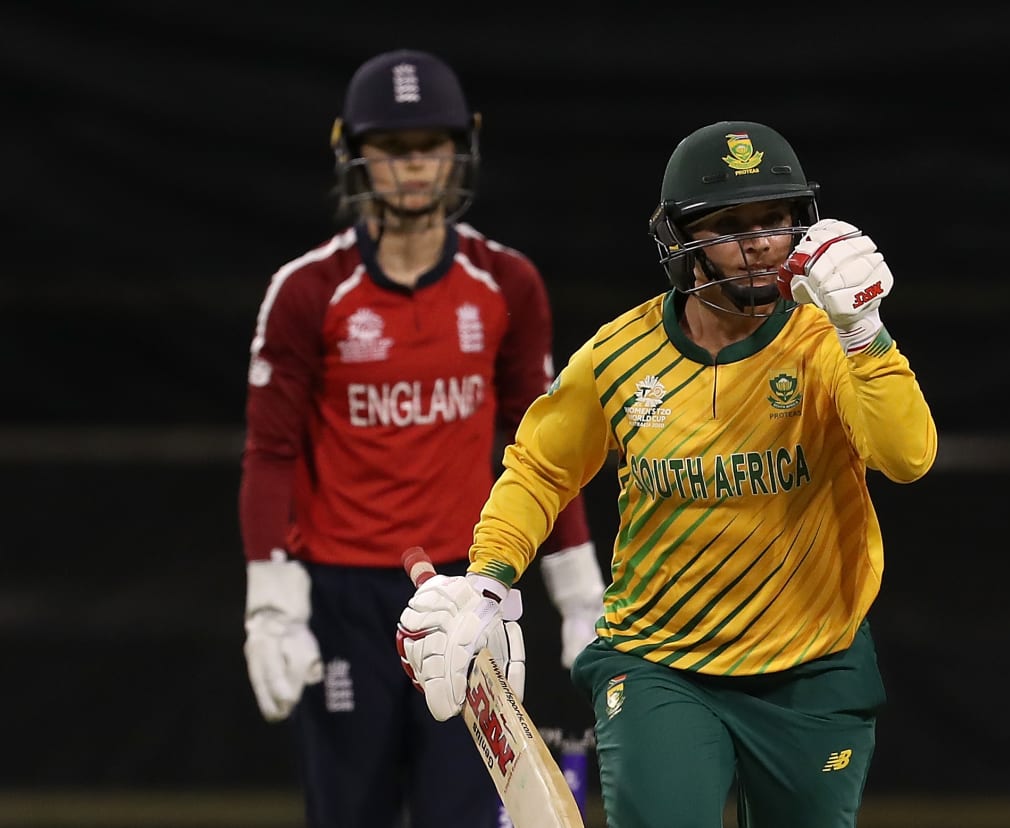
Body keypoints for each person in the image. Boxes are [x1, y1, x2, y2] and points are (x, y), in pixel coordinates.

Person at [396, 120, 938, 828]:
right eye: (728, 225)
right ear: (681, 241)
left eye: (774, 219)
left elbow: (907, 458)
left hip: (814, 665)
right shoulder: (619, 355)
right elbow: (541, 466)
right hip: (659, 664)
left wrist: (866, 332)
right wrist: (491, 577)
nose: (757, 243)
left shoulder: (828, 343)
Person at [238, 48, 606, 828]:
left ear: (460, 150)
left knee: (466, 817)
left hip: (470, 592)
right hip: (344, 595)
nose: (413, 168)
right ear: (355, 154)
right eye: (393, 149)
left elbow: (543, 445)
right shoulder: (306, 291)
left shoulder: (507, 283)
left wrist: (580, 595)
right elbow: (271, 453)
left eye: (430, 146)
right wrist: (272, 606)